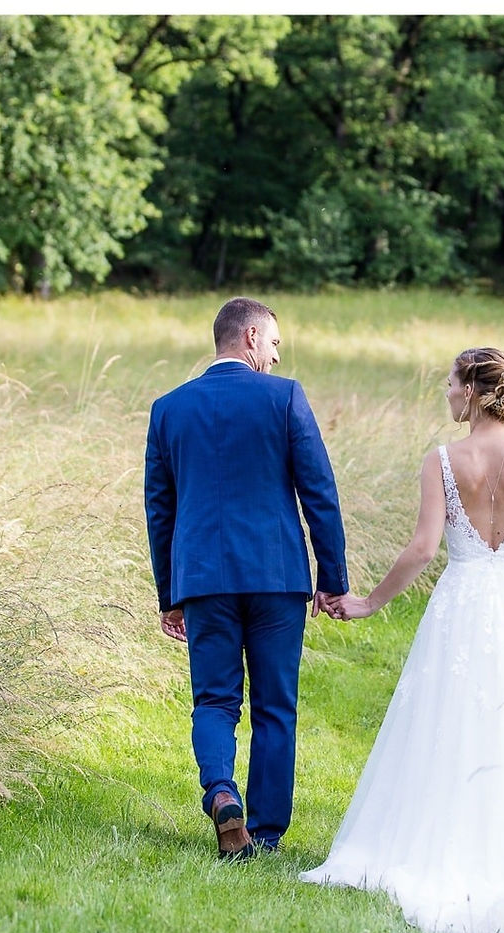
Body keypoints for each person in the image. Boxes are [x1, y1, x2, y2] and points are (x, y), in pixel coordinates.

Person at [300, 347, 504, 933]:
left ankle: (443, 841)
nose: (446, 392)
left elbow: (423, 549)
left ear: (473, 392)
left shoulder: (444, 461)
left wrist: (369, 602)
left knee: (449, 722)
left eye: (451, 383)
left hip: (463, 604)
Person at [144, 297, 349, 861]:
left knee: (213, 700)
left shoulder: (169, 409)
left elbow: (159, 510)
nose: (278, 357)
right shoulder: (284, 398)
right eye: (275, 343)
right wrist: (331, 578)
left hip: (203, 579)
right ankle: (264, 833)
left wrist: (171, 593)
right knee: (275, 706)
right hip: (277, 576)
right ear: (252, 337)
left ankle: (221, 792)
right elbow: (320, 494)